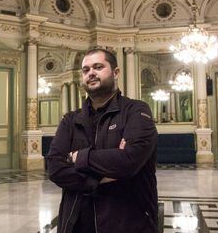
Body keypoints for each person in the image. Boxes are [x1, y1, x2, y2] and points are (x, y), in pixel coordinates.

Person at [47, 48, 158, 233]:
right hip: (76, 223)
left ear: (116, 73)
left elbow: (129, 162)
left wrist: (77, 158)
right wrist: (99, 178)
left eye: (98, 67)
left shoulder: (136, 111)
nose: (91, 73)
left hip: (128, 222)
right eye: (86, 70)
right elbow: (55, 168)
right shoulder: (70, 120)